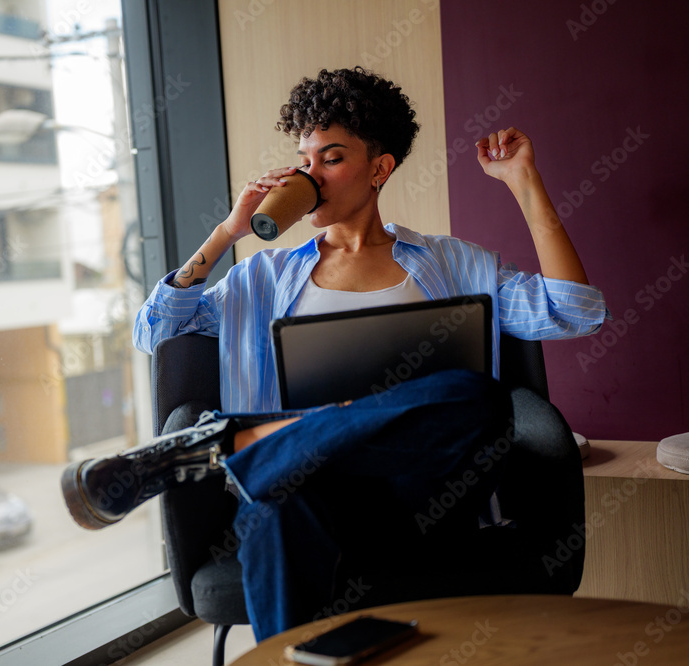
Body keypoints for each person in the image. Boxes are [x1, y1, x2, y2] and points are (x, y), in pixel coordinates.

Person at [62, 67, 607, 640]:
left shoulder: (454, 264)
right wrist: (227, 232)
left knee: (481, 399)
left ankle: (227, 442)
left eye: (332, 157)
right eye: (305, 159)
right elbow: (155, 331)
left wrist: (525, 182)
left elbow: (576, 310)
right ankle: (249, 452)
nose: (312, 175)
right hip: (304, 490)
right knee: (274, 506)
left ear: (380, 167)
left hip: (422, 489)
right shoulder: (262, 278)